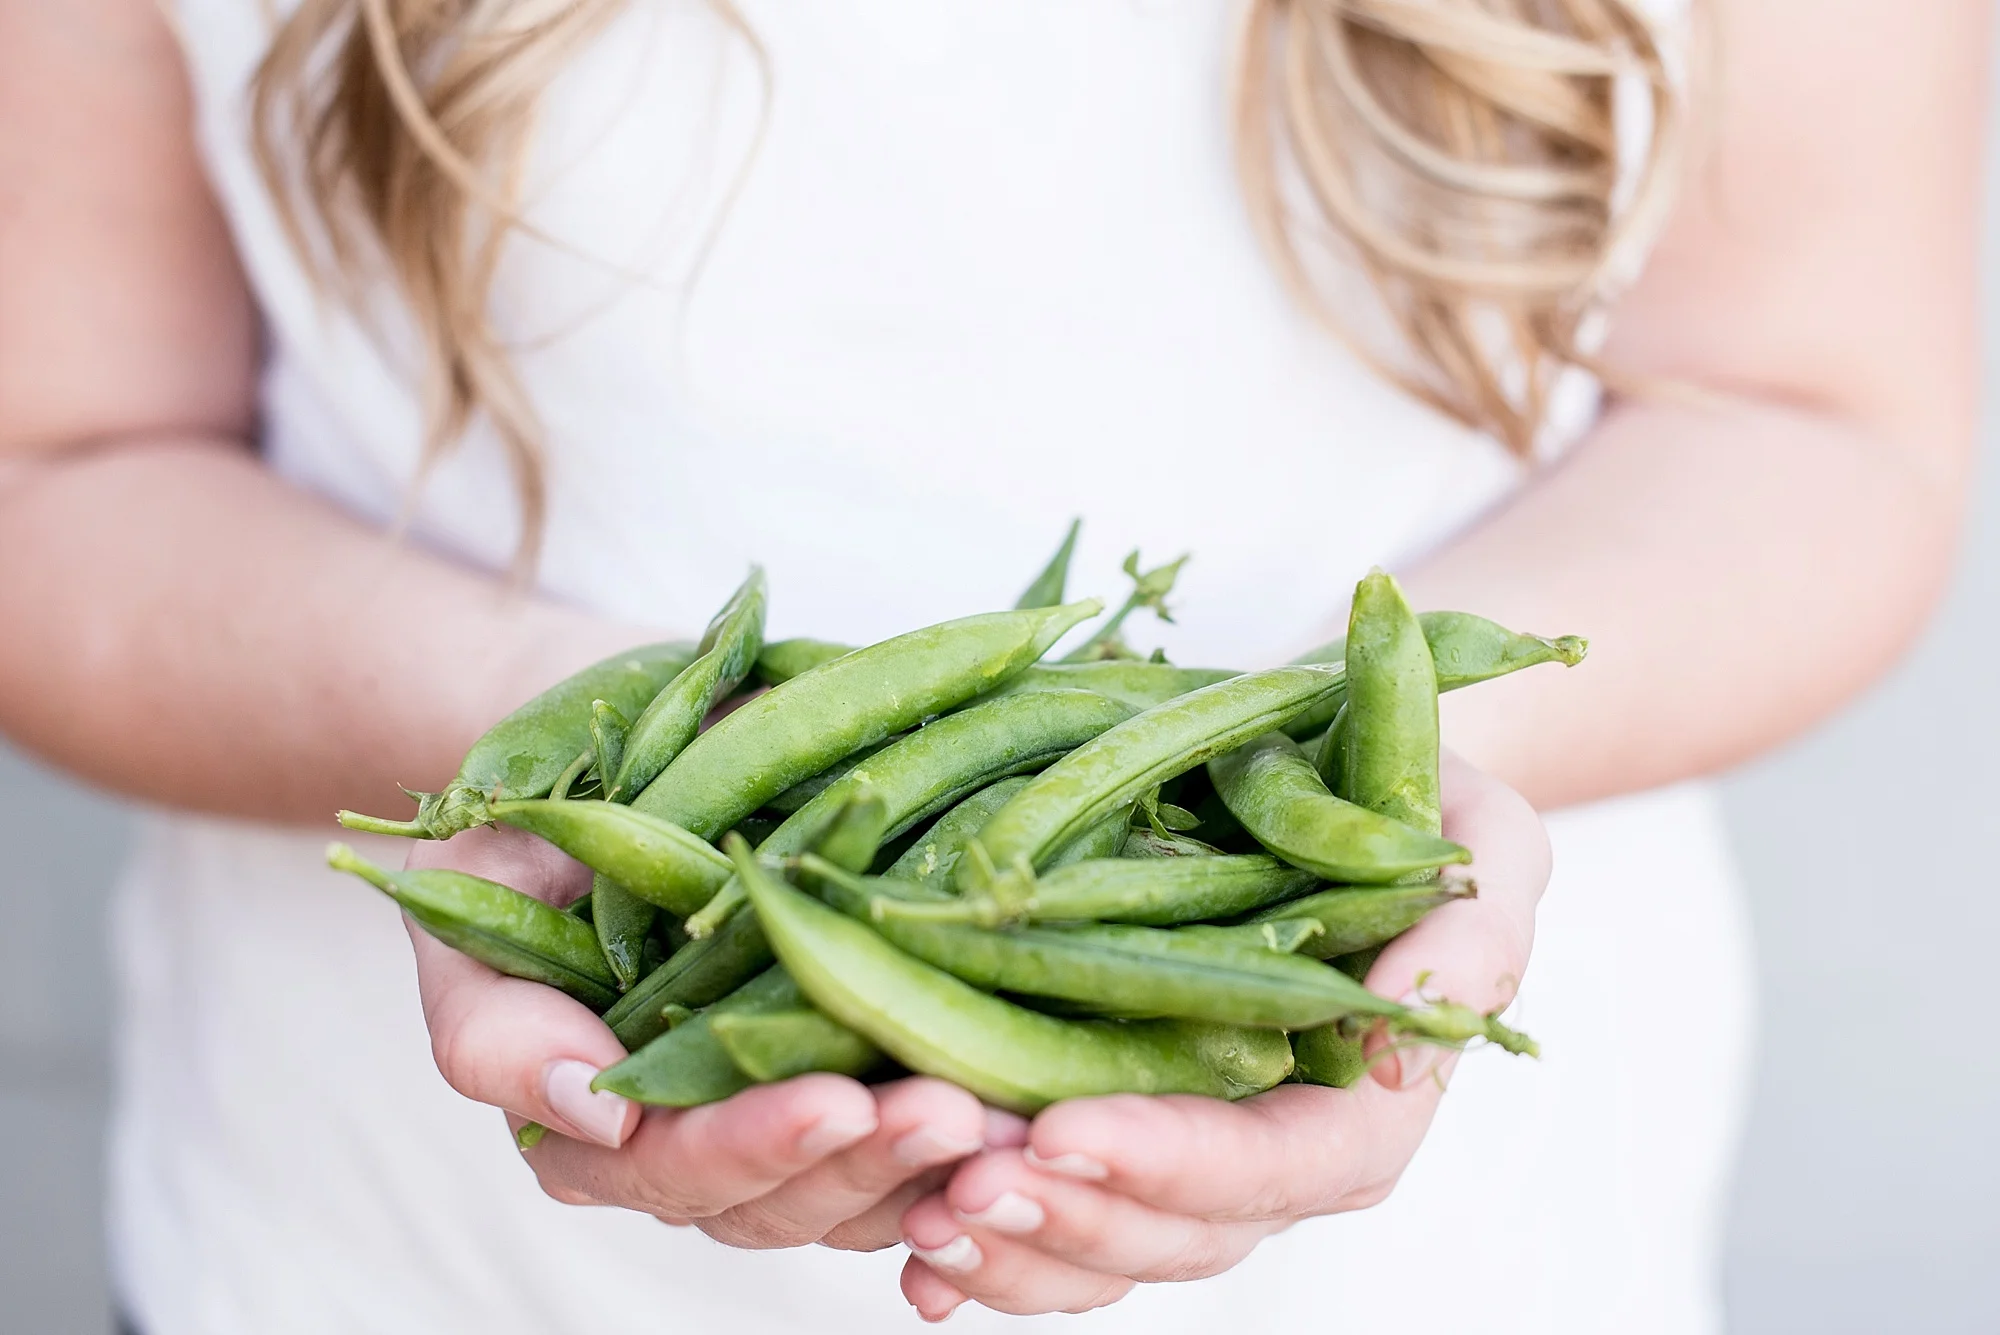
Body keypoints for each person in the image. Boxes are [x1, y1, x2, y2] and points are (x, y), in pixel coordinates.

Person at [0, 1, 1982, 1331]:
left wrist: (1403, 780)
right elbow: (59, 466)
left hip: (1469, 1260)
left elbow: (1808, 409)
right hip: (375, 1260)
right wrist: (560, 748)